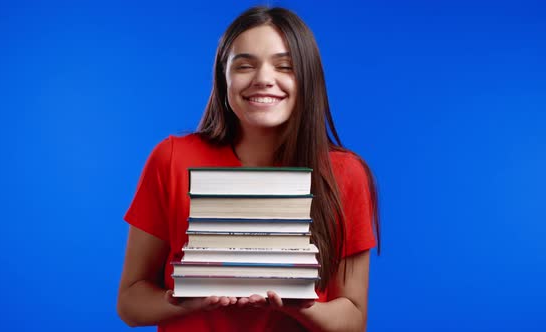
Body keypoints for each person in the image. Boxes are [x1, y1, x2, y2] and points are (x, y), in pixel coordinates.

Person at [117, 5, 380, 332]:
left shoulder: (345, 173)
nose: (264, 80)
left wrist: (300, 305)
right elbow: (130, 303)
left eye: (285, 66)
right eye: (244, 65)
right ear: (222, 75)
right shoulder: (171, 158)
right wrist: (184, 300)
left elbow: (353, 320)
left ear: (308, 79)